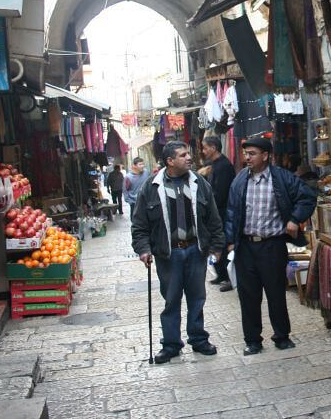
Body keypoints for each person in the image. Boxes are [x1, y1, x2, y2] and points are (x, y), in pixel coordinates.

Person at [131, 141, 225, 364]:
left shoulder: (199, 183)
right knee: (171, 300)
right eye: (183, 155)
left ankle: (199, 339)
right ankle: (171, 344)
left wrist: (217, 245)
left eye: (188, 154)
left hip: (195, 250)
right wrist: (143, 249)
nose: (189, 158)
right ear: (170, 161)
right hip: (168, 254)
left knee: (197, 298)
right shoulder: (151, 187)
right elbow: (139, 224)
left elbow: (213, 217)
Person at [225, 137, 316, 355]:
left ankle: (282, 336)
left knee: (276, 293)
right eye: (246, 153)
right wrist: (229, 241)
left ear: (265, 156)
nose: (247, 158)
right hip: (246, 246)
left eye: (252, 153)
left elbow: (307, 197)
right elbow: (231, 212)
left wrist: (295, 219)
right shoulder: (240, 180)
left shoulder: (282, 178)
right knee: (248, 296)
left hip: (272, 245)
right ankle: (252, 340)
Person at [199, 137, 236, 292]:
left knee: (224, 243)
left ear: (213, 148)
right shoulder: (214, 164)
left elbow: (221, 192)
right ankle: (221, 274)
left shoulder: (224, 166)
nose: (203, 151)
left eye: (205, 148)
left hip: (223, 211)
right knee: (216, 242)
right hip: (216, 211)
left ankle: (229, 277)